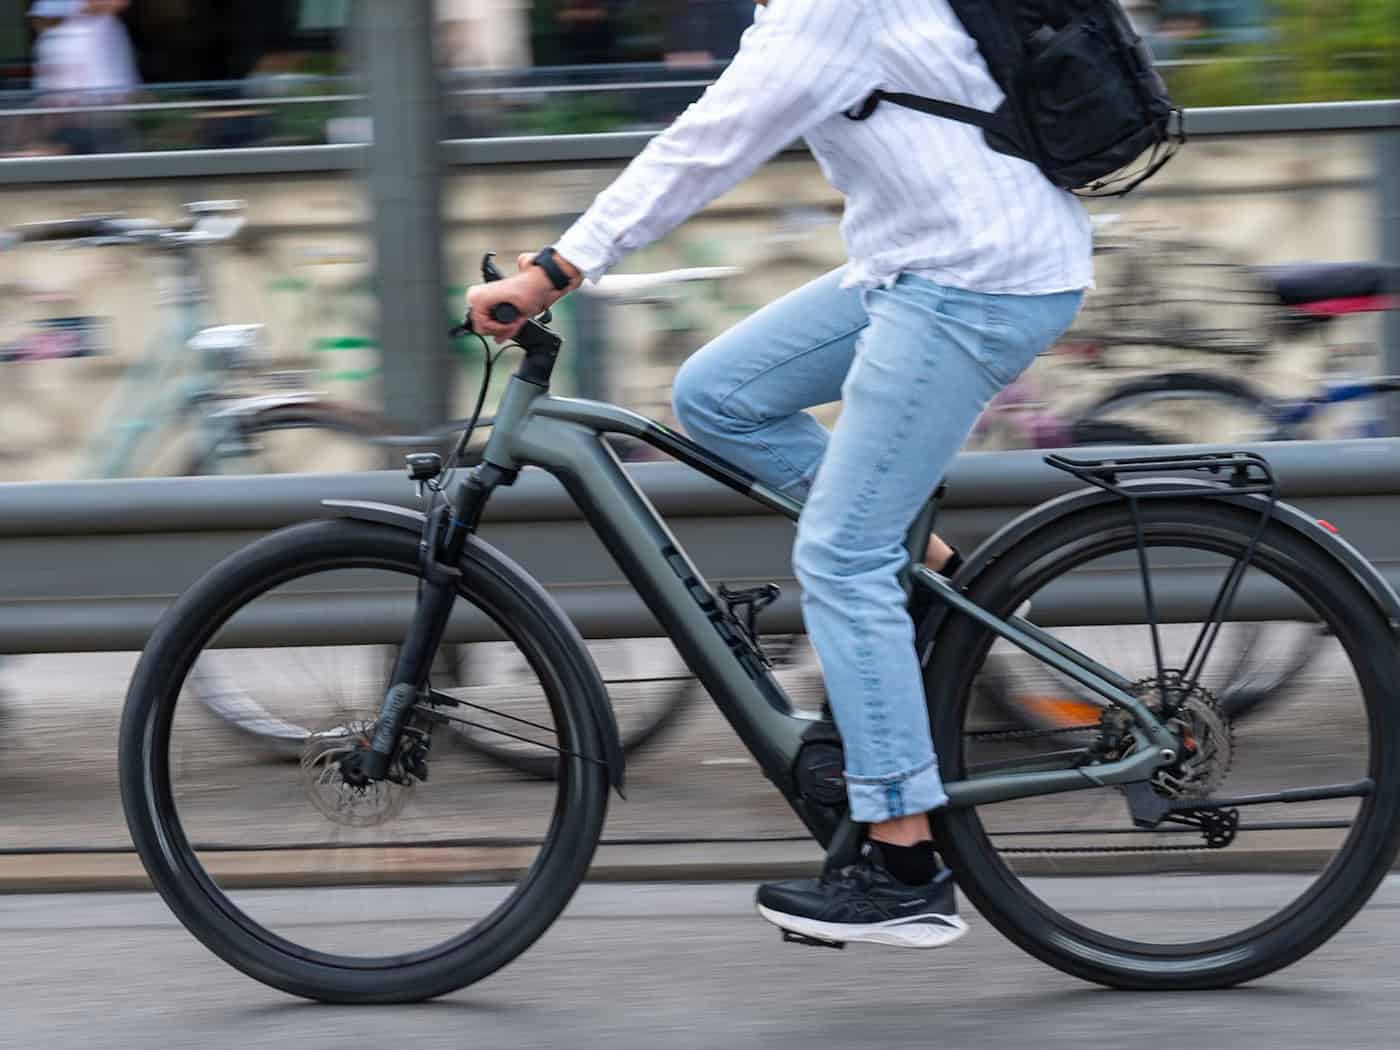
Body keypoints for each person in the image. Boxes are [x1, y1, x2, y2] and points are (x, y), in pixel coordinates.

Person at [468, 0, 1091, 950]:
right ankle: (926, 580)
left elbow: (711, 143)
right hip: (917, 261)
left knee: (842, 559)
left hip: (973, 277)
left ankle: (901, 864)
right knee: (721, 394)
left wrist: (557, 268)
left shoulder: (828, 5)